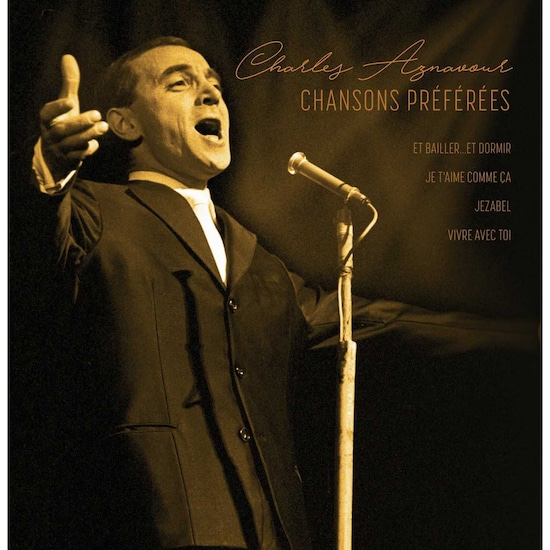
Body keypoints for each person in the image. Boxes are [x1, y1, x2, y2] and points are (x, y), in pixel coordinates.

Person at [30, 36, 538, 549]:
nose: (210, 93)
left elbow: (380, 321)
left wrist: (521, 334)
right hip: (157, 523)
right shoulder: (95, 213)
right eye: (180, 83)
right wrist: (49, 168)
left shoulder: (260, 263)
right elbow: (28, 238)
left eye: (213, 83)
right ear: (125, 123)